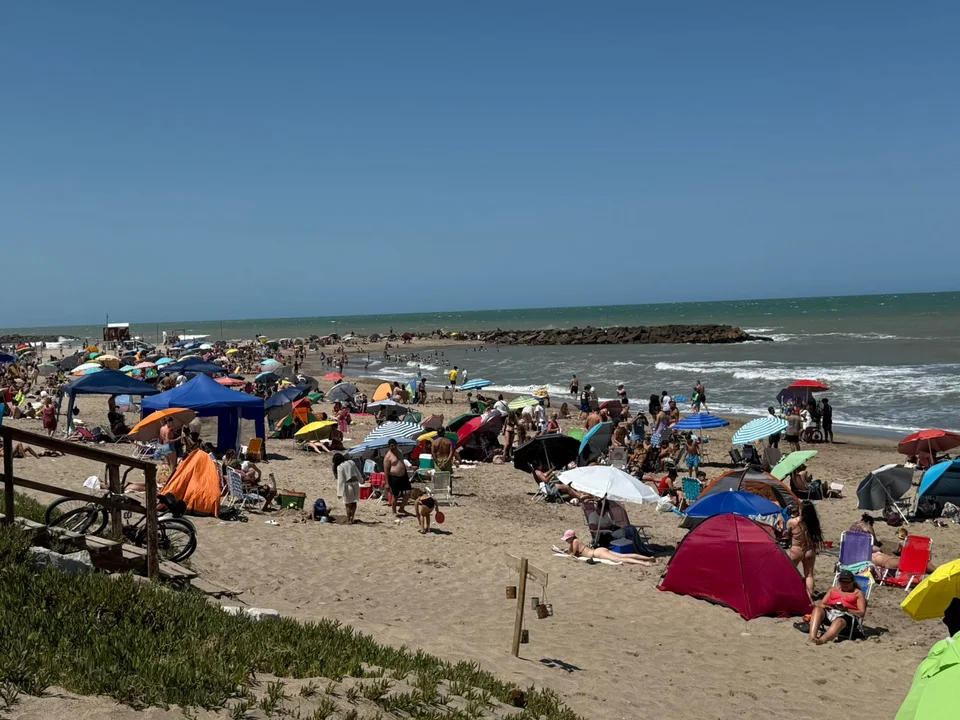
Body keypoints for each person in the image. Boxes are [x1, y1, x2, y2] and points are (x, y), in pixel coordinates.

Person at [850, 514, 937, 574]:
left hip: (885, 560)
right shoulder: (867, 528)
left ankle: (934, 569)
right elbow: (876, 545)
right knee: (921, 562)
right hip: (888, 562)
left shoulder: (853, 545)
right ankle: (937, 572)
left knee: (917, 561)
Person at [808, 569, 866, 645]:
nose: (845, 584)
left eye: (847, 582)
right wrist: (827, 607)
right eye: (842, 582)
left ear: (852, 582)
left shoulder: (858, 593)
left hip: (847, 616)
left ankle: (822, 640)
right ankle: (812, 637)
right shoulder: (833, 590)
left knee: (839, 621)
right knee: (817, 610)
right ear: (839, 581)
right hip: (830, 611)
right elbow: (821, 604)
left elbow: (862, 613)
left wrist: (846, 609)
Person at [787, 501, 824, 598]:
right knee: (809, 575)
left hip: (796, 549)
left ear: (801, 510)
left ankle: (791, 593)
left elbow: (787, 535)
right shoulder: (813, 522)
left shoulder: (792, 522)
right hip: (809, 549)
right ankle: (809, 597)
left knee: (788, 572)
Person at [561, 529, 654, 565]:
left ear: (572, 537)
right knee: (624, 555)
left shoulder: (575, 541)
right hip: (599, 550)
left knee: (619, 559)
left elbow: (572, 554)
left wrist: (567, 553)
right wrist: (565, 551)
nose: (566, 541)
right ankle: (648, 558)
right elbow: (571, 551)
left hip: (596, 553)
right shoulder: (576, 541)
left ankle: (644, 563)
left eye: (567, 539)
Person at [384, 438, 412, 517]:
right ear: (389, 446)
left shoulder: (399, 452)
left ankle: (402, 508)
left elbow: (402, 462)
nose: (393, 447)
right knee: (395, 495)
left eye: (394, 445)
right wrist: (387, 483)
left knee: (408, 492)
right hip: (394, 477)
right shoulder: (388, 456)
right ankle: (394, 511)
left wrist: (406, 473)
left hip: (403, 475)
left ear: (396, 445)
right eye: (391, 446)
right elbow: (386, 470)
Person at [332, 453, 361, 524]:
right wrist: (361, 480)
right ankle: (352, 517)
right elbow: (358, 473)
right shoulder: (351, 462)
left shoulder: (340, 467)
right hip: (355, 484)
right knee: (354, 502)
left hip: (347, 486)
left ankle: (348, 519)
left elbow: (341, 481)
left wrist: (339, 492)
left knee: (347, 504)